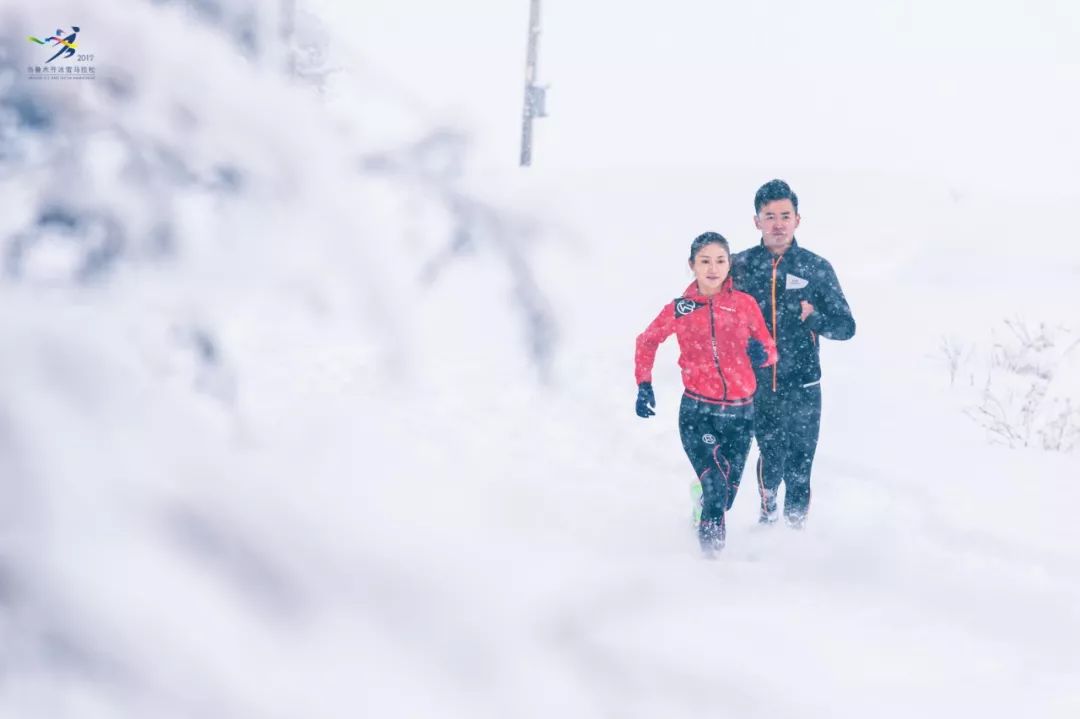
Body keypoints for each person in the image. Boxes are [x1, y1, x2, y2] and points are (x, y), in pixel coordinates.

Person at [635, 232, 778, 554]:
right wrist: (644, 384)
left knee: (723, 500)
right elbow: (647, 340)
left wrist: (762, 354)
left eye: (720, 261)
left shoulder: (744, 305)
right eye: (705, 261)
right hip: (698, 413)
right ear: (692, 265)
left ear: (729, 265)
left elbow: (769, 348)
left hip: (741, 416)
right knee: (715, 489)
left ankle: (702, 506)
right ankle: (710, 564)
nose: (713, 268)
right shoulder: (681, 309)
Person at [732, 180, 856, 528]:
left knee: (801, 466)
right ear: (756, 221)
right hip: (758, 387)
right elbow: (713, 315)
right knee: (772, 459)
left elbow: (846, 326)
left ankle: (795, 534)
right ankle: (768, 509)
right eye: (769, 216)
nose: (778, 223)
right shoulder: (739, 267)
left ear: (798, 220)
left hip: (803, 386)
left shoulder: (816, 268)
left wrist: (814, 318)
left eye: (785, 215)